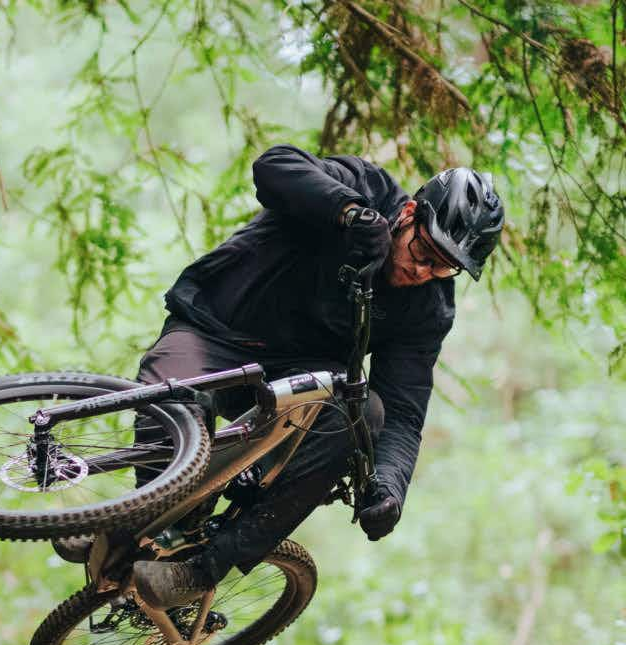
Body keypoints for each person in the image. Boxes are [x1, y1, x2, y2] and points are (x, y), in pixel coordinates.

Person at [132, 144, 504, 609]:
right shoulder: (365, 190)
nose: (423, 271)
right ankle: (133, 522)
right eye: (424, 250)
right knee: (171, 402)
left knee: (361, 413)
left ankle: (202, 570)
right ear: (409, 213)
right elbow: (274, 167)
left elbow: (404, 408)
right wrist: (348, 214)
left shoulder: (427, 307)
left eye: (443, 266)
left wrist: (390, 485)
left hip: (291, 380)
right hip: (214, 332)